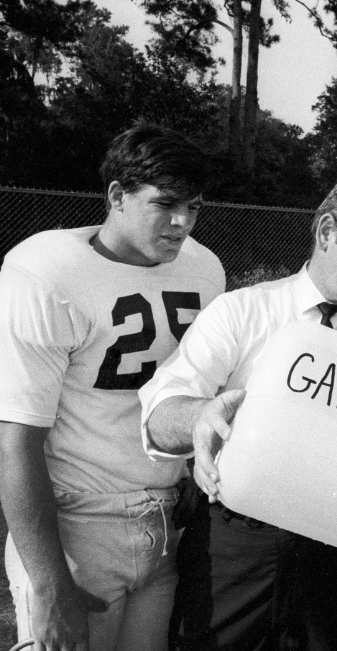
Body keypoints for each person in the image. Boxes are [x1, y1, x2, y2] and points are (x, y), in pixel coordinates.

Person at [139, 176, 337, 651]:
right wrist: (200, 417)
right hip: (236, 541)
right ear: (328, 231)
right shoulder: (243, 312)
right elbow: (160, 412)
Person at [0, 123, 225, 651]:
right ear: (117, 195)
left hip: (166, 522)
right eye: (166, 204)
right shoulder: (45, 273)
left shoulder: (204, 268)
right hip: (79, 525)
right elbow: (16, 438)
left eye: (193, 207)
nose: (181, 223)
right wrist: (49, 583)